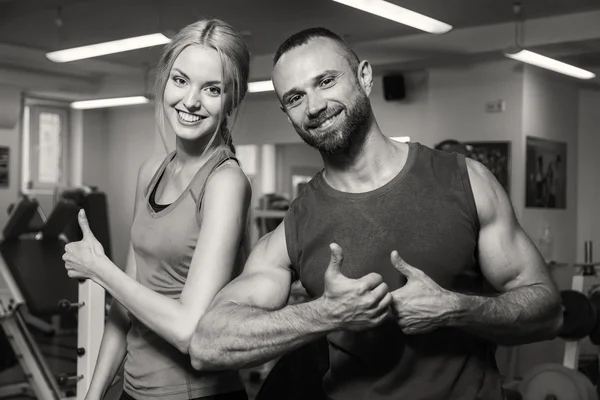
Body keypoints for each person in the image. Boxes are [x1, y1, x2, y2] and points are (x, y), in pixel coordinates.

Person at [189, 27, 563, 400]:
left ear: (364, 77)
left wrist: (457, 308)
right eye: (296, 97)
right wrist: (327, 314)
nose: (315, 105)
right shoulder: (298, 224)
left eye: (326, 81)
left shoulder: (465, 180)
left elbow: (549, 312)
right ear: (287, 115)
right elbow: (208, 344)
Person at [62, 18, 252, 400]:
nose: (191, 101)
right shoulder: (152, 170)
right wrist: (93, 394)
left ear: (232, 99)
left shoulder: (225, 183)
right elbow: (127, 301)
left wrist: (99, 268)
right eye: (180, 80)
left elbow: (188, 328)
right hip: (134, 389)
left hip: (195, 393)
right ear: (164, 79)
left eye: (212, 89)